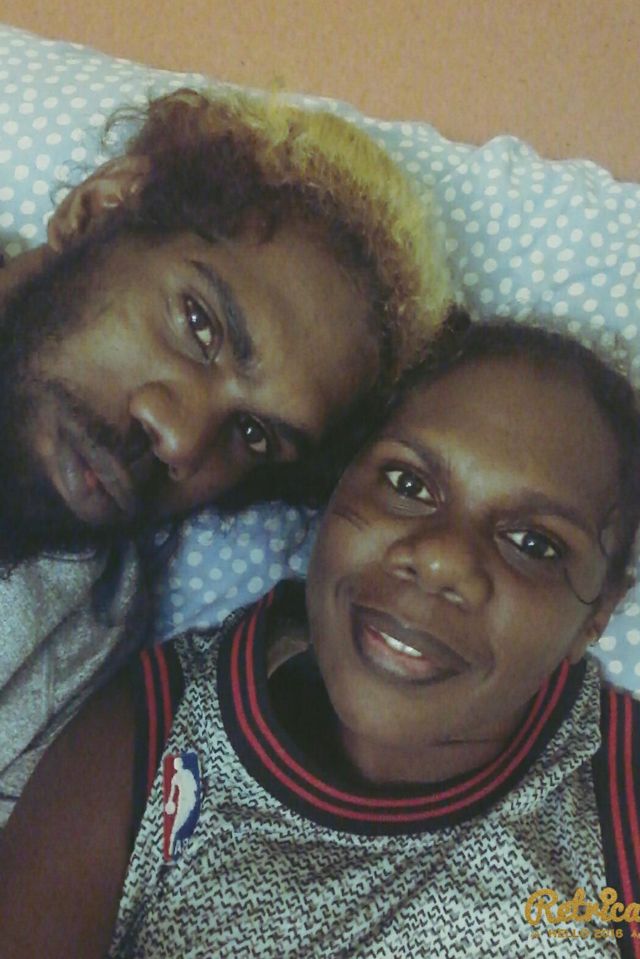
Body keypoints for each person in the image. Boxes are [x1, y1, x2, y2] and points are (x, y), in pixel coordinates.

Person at [10, 318, 639, 959]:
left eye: (534, 544)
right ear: (340, 485)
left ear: (597, 617)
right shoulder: (156, 736)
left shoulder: (615, 809)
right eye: (408, 484)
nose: (442, 560)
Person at [0, 86, 451, 825]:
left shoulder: (81, 628)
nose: (180, 440)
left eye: (253, 434)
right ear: (98, 210)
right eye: (199, 325)